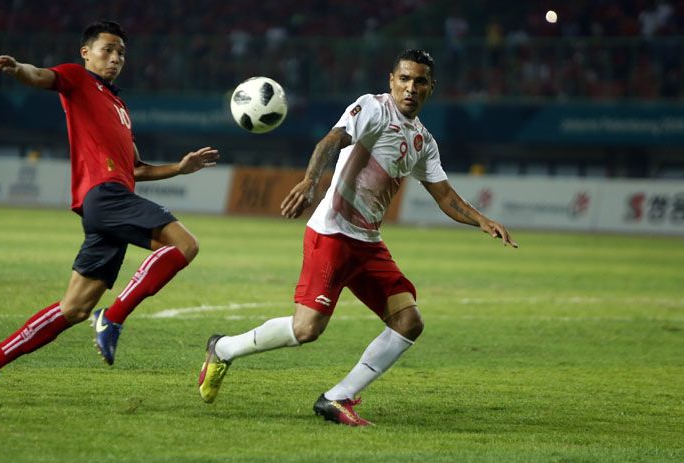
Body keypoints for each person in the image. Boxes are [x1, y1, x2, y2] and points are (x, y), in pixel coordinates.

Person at [198, 49, 517, 426]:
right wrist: (310, 181)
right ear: (391, 80)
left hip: (368, 243)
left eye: (419, 82)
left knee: (408, 322)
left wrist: (481, 220)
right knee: (306, 330)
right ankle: (223, 348)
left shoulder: (423, 141)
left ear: (432, 88)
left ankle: (337, 398)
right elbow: (330, 142)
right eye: (404, 79)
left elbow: (444, 195)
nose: (410, 88)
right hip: (332, 233)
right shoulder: (372, 108)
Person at [0, 20, 219, 407]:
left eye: (121, 53)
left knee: (73, 308)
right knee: (185, 244)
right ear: (86, 52)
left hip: (111, 202)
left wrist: (180, 168)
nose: (116, 58)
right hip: (103, 197)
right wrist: (16, 68)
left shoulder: (119, 106)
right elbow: (39, 76)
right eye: (107, 50)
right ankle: (113, 317)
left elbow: (136, 169)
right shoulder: (76, 79)